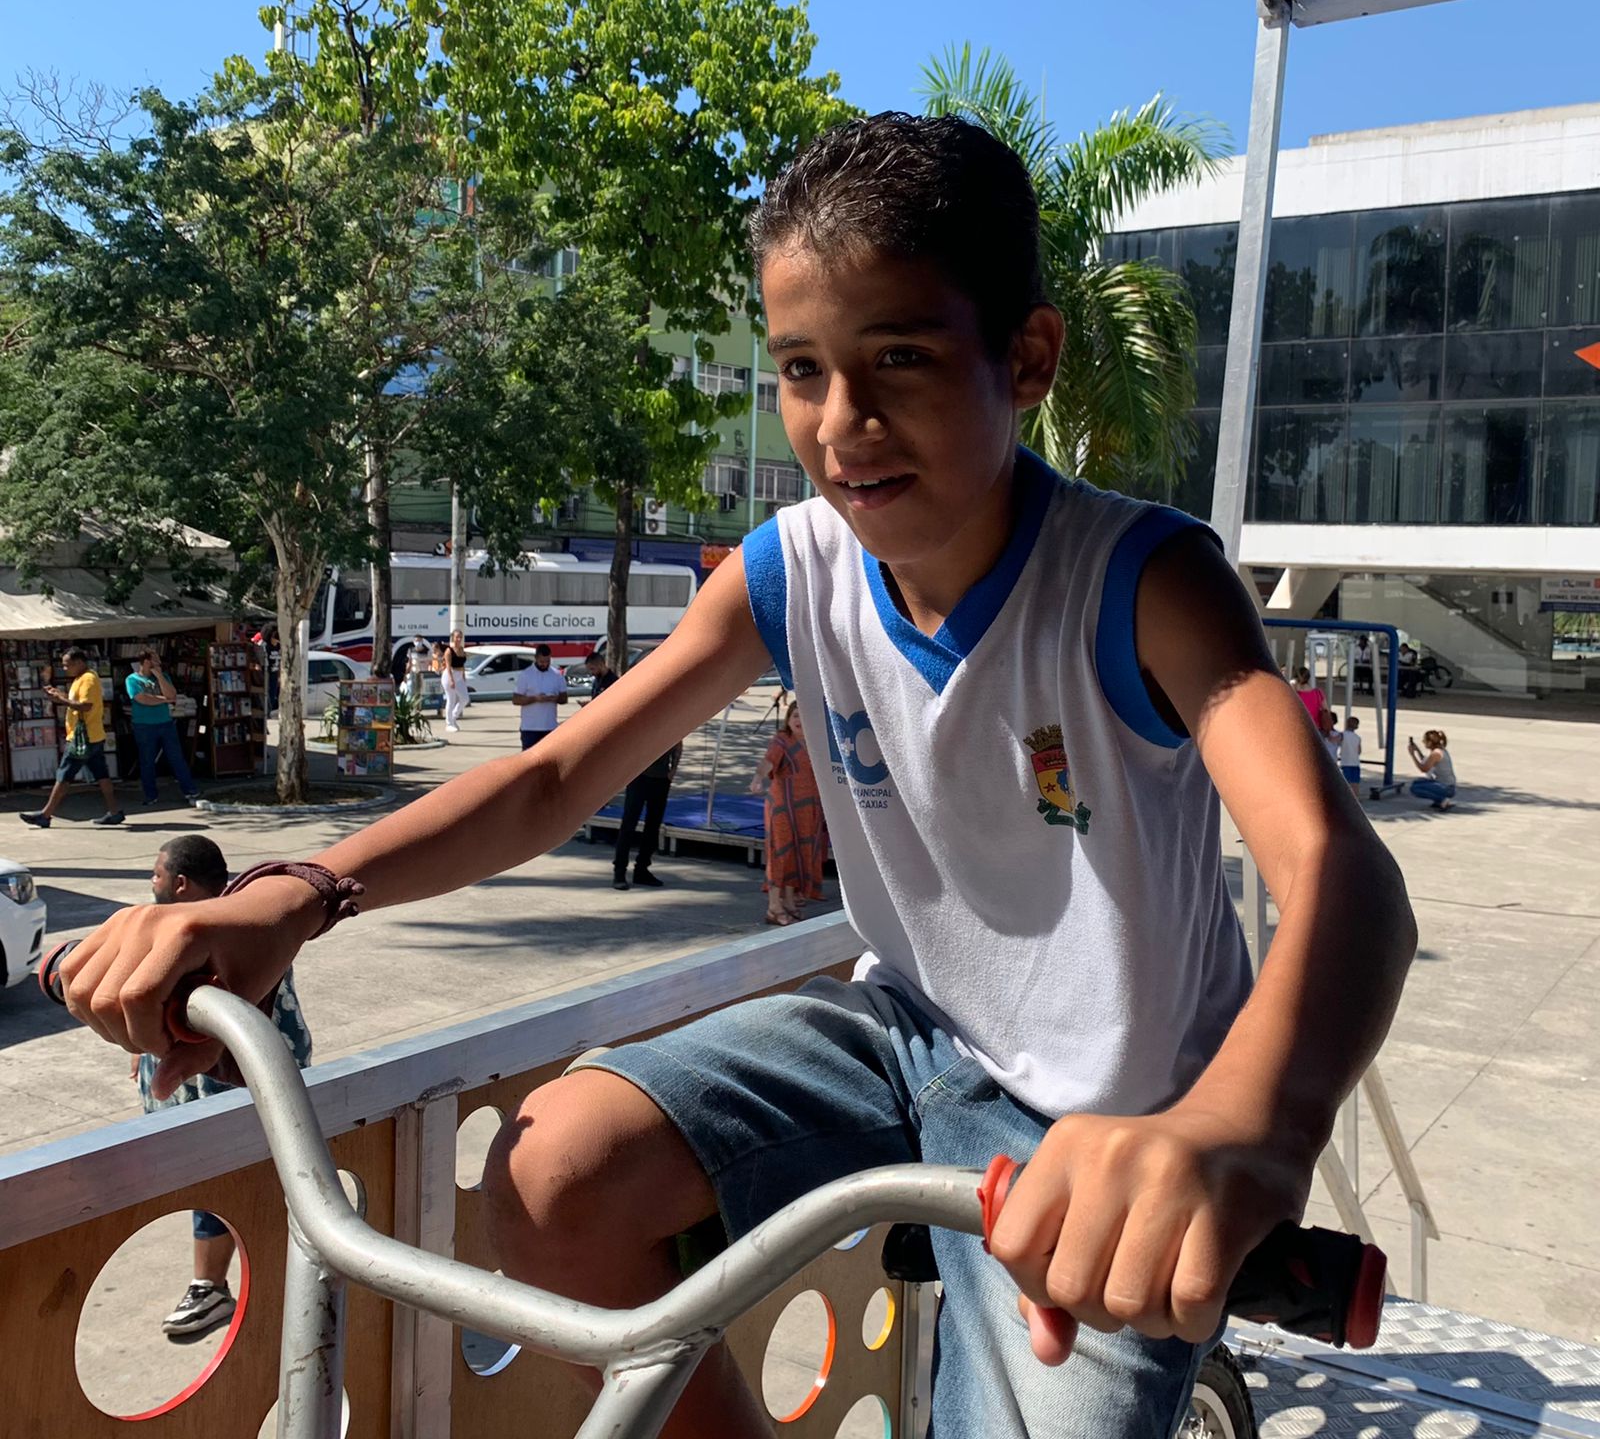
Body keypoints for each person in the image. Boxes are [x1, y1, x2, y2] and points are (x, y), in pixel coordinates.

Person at [55, 112, 1417, 1439]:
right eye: (802, 369)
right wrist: (300, 892)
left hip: (1118, 1128)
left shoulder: (1139, 580)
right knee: (552, 1175)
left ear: (1029, 356)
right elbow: (556, 778)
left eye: (899, 358)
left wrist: (1242, 1129)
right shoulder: (790, 569)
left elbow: (1340, 873)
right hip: (908, 1032)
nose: (844, 421)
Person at [131, 836, 313, 1338]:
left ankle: (217, 1287)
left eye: (156, 873)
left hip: (239, 1075)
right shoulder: (206, 924)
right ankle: (225, 1285)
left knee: (234, 1178)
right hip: (204, 1077)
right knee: (214, 1178)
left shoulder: (225, 930)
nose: (152, 882)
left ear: (180, 883)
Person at [21, 647, 124, 828]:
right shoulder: (80, 678)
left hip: (82, 738)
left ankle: (45, 815)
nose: (65, 668)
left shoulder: (88, 679)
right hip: (92, 736)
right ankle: (114, 812)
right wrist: (59, 695)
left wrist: (61, 699)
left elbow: (85, 706)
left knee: (64, 775)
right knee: (102, 775)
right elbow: (76, 702)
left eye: (67, 665)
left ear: (79, 663)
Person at [757, 702, 827, 926]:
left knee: (799, 852)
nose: (798, 720)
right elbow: (769, 761)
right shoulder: (781, 741)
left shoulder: (814, 743)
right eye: (794, 715)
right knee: (780, 853)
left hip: (806, 810)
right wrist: (757, 778)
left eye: (802, 716)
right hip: (782, 808)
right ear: (787, 719)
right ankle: (773, 906)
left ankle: (788, 899)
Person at [125, 647, 199, 806]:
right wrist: (165, 700)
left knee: (176, 757)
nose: (159, 662)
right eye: (156, 660)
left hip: (165, 723)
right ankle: (150, 795)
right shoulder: (132, 680)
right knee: (147, 760)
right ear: (146, 662)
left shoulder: (163, 677)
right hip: (144, 725)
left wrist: (159, 676)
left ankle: (190, 790)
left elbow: (172, 695)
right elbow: (143, 699)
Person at [612, 741, 681, 890]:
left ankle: (642, 869)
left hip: (661, 778)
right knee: (629, 824)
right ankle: (619, 871)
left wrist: (673, 769)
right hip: (639, 776)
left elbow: (678, 742)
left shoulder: (668, 727)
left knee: (653, 825)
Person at [511, 644, 567, 751]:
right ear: (536, 658)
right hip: (530, 728)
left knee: (550, 758)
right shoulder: (526, 675)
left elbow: (564, 698)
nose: (544, 664)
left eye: (547, 661)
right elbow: (516, 699)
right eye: (542, 661)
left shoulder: (557, 675)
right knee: (529, 759)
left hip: (550, 727)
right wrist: (535, 699)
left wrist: (555, 698)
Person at [1407, 728, 1456, 810]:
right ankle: (1439, 800)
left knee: (1415, 788)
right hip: (1445, 785)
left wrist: (1412, 755)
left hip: (1446, 787)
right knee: (1417, 782)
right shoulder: (1439, 750)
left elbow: (1424, 768)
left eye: (1425, 740)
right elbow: (1427, 761)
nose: (1423, 742)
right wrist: (1417, 750)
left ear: (1430, 742)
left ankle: (1442, 800)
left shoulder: (1436, 753)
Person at [441, 630, 468, 733]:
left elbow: (462, 665)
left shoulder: (461, 649)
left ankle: (453, 716)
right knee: (451, 699)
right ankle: (449, 723)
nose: (459, 639)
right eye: (457, 637)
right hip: (450, 675)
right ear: (453, 638)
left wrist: (463, 675)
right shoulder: (449, 650)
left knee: (465, 698)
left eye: (460, 637)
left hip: (459, 676)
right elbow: (448, 666)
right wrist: (451, 680)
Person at [1339, 715, 1363, 788]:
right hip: (1355, 763)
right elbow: (1359, 751)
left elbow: (1334, 740)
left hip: (1346, 762)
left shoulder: (1343, 735)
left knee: (1346, 783)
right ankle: (1355, 794)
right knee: (1355, 782)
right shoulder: (1357, 737)